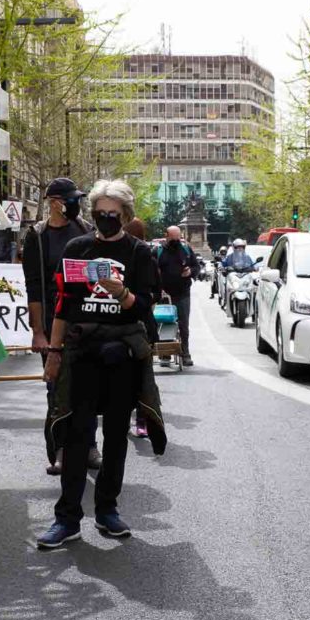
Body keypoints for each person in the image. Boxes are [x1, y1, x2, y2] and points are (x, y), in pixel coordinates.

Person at [37, 178, 167, 549]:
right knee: (76, 437)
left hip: (120, 357)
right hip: (81, 355)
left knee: (114, 436)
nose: (106, 219)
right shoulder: (78, 248)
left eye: (113, 213)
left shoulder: (140, 253)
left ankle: (107, 510)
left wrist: (120, 293)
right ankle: (67, 519)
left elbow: (144, 308)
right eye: (99, 213)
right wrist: (54, 353)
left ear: (125, 215)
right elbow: (64, 304)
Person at [22, 177, 101, 475]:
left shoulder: (86, 231)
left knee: (88, 387)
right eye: (71, 200)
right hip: (52, 323)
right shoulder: (37, 236)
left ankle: (90, 446)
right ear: (55, 202)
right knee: (56, 388)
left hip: (86, 321)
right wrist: (38, 332)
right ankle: (60, 450)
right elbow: (33, 286)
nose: (76, 204)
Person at [123, 217, 160, 439]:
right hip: (143, 324)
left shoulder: (144, 255)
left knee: (135, 375)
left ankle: (138, 419)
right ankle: (140, 420)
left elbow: (154, 291)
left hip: (137, 325)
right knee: (142, 375)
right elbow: (156, 291)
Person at [155, 225, 198, 367]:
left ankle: (185, 353)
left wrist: (190, 271)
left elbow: (196, 266)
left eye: (177, 238)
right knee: (164, 322)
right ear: (166, 236)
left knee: (184, 324)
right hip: (164, 294)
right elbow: (150, 271)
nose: (175, 241)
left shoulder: (186, 249)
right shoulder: (158, 251)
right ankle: (165, 353)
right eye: (172, 238)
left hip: (183, 293)